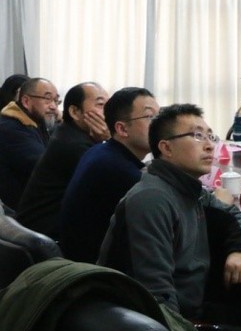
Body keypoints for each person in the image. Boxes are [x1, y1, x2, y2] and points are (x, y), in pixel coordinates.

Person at [98, 103, 241, 320]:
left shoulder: (189, 188)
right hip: (168, 323)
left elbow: (236, 216)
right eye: (198, 136)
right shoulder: (151, 200)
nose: (210, 146)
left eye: (211, 137)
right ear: (166, 148)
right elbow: (157, 298)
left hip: (193, 308)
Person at [59, 87, 159, 262]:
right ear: (122, 129)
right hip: (96, 271)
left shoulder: (102, 150)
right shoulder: (119, 170)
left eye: (159, 117)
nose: (160, 125)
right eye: (150, 117)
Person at [16, 82, 110, 238]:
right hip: (46, 235)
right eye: (100, 105)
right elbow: (112, 180)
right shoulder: (74, 145)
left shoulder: (69, 133)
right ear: (75, 112)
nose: (109, 112)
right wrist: (111, 140)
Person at [0, 78, 60, 209]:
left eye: (56, 101)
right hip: (19, 212)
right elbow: (46, 168)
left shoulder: (37, 121)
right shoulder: (10, 128)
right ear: (26, 101)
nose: (54, 107)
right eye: (47, 99)